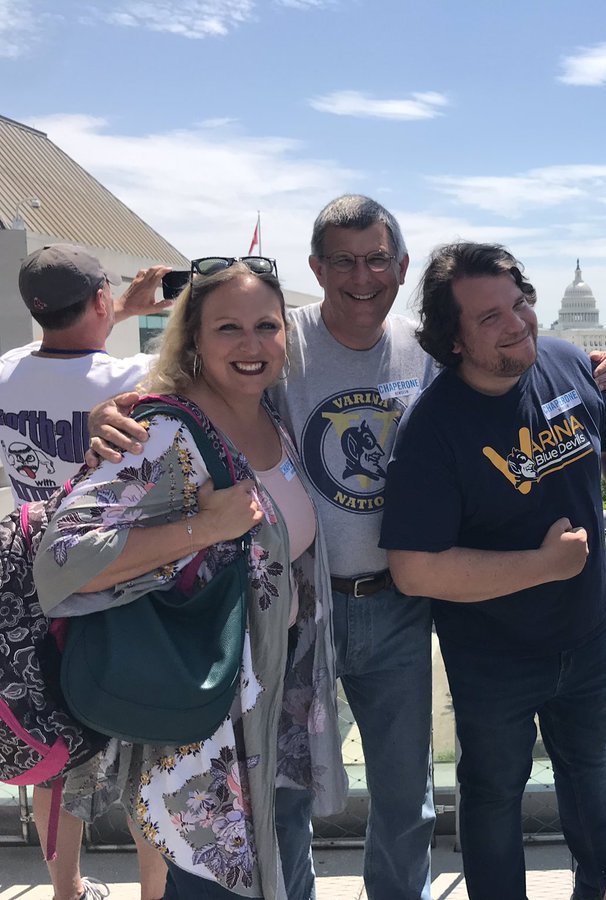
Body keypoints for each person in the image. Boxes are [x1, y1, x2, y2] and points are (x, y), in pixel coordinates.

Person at [86, 196, 606, 899]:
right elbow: (194, 379)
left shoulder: (427, 347)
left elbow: (504, 369)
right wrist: (110, 408)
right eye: (342, 260)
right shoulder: (284, 339)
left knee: (406, 799)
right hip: (294, 607)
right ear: (316, 267)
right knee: (284, 793)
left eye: (377, 259)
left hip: (398, 606)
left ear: (402, 267)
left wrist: (592, 369)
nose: (361, 276)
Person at [33, 259, 346, 899]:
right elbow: (60, 562)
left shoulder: (270, 417)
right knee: (207, 883)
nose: (251, 344)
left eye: (266, 326)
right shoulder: (162, 431)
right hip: (202, 724)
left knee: (272, 867)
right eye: (227, 328)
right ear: (194, 339)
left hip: (269, 704)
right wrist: (203, 529)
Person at [381, 242, 606, 900]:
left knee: (591, 786)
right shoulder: (433, 429)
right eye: (490, 317)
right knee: (494, 798)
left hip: (586, 639)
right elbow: (415, 570)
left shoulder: (566, 360)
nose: (518, 323)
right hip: (494, 658)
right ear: (453, 342)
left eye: (520, 303)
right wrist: (541, 566)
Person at [0, 244, 171, 900]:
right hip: (119, 579)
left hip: (36, 586)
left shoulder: (9, 370)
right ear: (101, 300)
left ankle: (67, 889)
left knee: (56, 758)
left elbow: (61, 340)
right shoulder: (135, 374)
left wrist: (113, 304)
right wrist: (139, 306)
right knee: (147, 746)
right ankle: (154, 891)